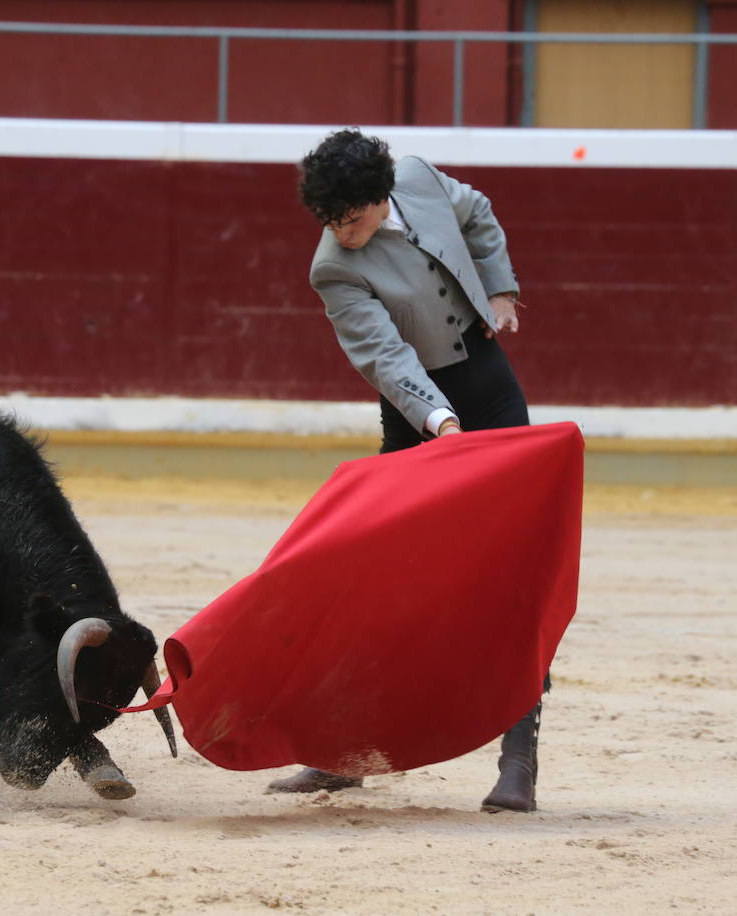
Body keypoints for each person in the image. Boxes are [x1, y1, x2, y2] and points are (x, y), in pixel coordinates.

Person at [264, 127, 546, 813]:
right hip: (415, 409)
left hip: (490, 386)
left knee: (513, 573)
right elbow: (386, 360)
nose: (341, 233)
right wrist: (440, 424)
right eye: (329, 221)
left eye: (352, 218)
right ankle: (342, 751)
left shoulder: (418, 176)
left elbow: (476, 212)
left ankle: (519, 761)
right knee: (375, 573)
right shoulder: (333, 267)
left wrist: (500, 287)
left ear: (381, 196)